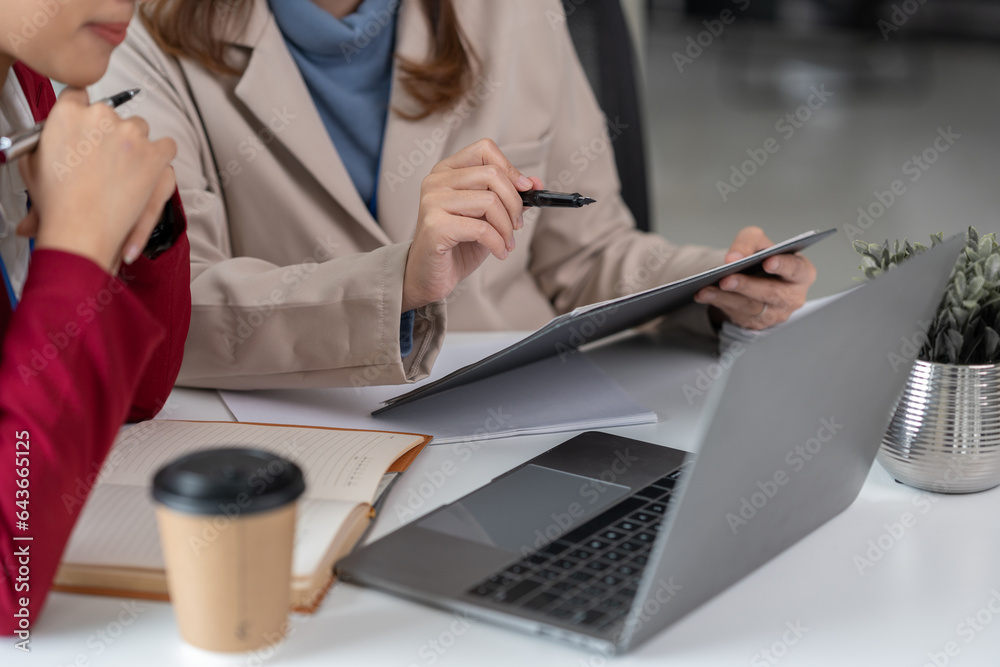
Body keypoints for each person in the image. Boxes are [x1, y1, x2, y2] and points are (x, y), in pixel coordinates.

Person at [94, 0, 815, 391]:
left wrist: (720, 287)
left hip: (522, 417)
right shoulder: (127, 33)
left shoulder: (515, 12)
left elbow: (589, 255)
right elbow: (171, 308)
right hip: (307, 437)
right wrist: (398, 283)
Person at [0, 0, 190, 637]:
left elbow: (135, 396)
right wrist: (78, 250)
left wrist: (143, 228)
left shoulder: (24, 87)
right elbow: (9, 583)